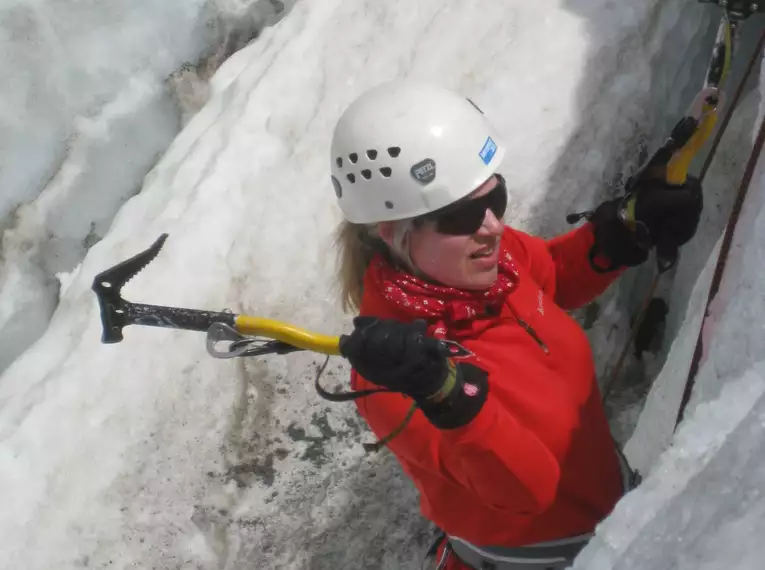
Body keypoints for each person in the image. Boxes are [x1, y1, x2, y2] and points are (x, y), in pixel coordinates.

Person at [329, 80, 702, 569]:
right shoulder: (394, 373)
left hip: (615, 514)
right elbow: (524, 489)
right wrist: (448, 396)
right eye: (462, 214)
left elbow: (552, 271)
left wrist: (622, 230)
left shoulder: (486, 260)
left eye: (495, 198)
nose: (493, 226)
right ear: (394, 234)